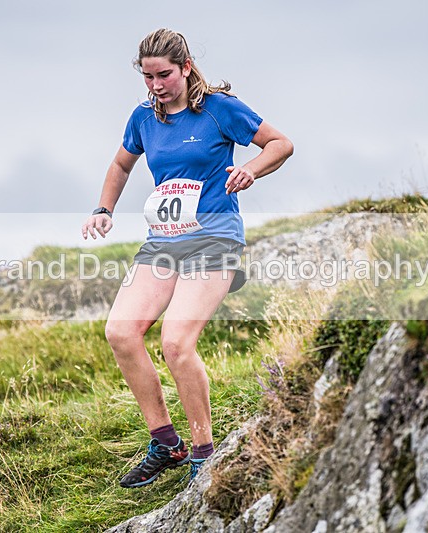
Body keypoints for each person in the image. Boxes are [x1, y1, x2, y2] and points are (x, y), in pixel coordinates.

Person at [81, 28, 293, 488]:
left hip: (214, 240)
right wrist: (103, 209)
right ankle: (167, 443)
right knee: (120, 331)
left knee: (176, 343)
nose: (156, 85)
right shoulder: (143, 117)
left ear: (187, 67)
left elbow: (280, 143)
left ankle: (204, 452)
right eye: (148, 77)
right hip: (164, 242)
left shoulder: (220, 110)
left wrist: (250, 169)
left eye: (164, 75)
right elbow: (121, 165)